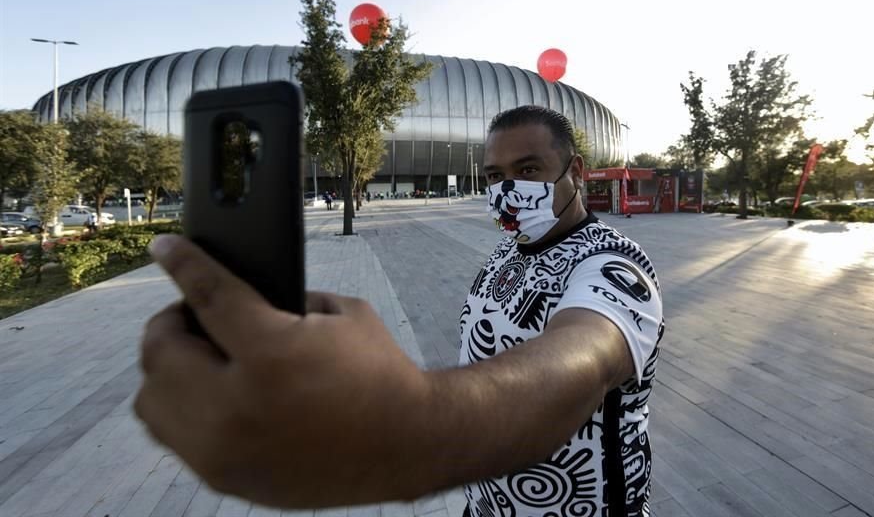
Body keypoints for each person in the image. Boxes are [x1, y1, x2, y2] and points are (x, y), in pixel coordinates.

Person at [135, 106, 664, 515]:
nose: (509, 190)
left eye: (529, 169)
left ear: (575, 170)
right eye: (496, 174)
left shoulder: (615, 267)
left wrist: (404, 427)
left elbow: (580, 360)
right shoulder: (509, 249)